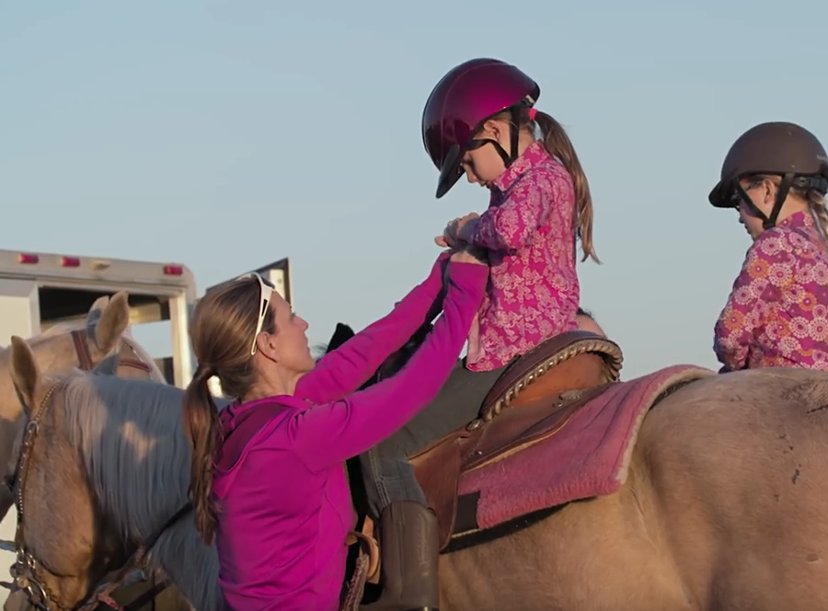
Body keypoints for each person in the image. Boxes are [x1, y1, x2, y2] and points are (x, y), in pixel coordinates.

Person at [360, 57, 600, 610]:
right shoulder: (522, 186)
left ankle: (409, 593)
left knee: (379, 439)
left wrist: (466, 228)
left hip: (511, 349)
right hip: (519, 339)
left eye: (467, 159)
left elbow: (512, 231)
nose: (467, 173)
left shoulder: (542, 178)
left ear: (494, 130)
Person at [181, 249, 487, 611]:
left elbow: (363, 352)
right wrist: (467, 289)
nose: (304, 324)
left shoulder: (246, 421)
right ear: (268, 345)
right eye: (291, 317)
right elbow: (410, 389)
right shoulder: (293, 439)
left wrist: (444, 273)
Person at [708, 121, 828, 372]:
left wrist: (737, 366)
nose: (739, 214)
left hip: (775, 386)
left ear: (766, 190)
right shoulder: (822, 249)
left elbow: (730, 335)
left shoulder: (776, 243)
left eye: (738, 199)